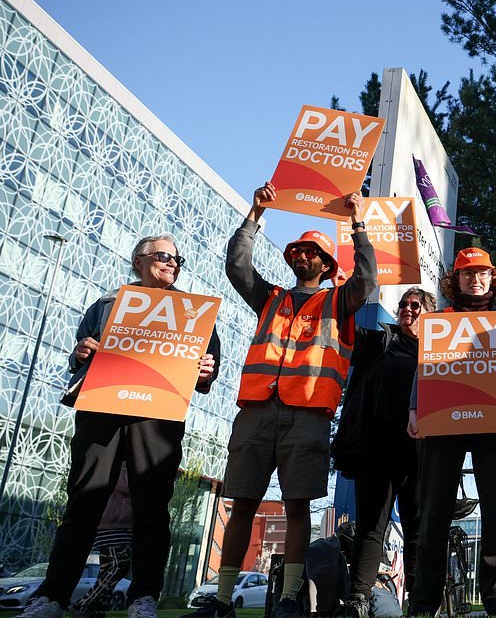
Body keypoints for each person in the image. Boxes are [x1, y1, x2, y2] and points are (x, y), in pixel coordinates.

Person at [184, 182, 376, 618]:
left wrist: (356, 223)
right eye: (298, 249)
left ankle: (290, 598)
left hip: (307, 416)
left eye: (311, 250)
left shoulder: (338, 301)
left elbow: (366, 278)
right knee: (242, 504)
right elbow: (237, 266)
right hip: (255, 412)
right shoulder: (270, 297)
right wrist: (254, 214)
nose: (301, 254)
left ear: (326, 263)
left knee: (296, 506)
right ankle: (220, 600)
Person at [19, 234, 220, 618]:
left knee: (152, 507)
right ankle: (52, 597)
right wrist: (81, 352)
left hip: (157, 418)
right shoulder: (107, 304)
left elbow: (208, 364)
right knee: (83, 502)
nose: (173, 263)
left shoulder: (193, 312)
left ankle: (143, 597)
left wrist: (206, 371)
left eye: (179, 258)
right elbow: (81, 352)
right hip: (102, 411)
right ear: (139, 260)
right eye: (164, 256)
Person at [405, 248, 496, 617]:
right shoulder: (439, 320)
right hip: (443, 422)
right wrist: (414, 407)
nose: (475, 279)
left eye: (482, 274)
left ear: (493, 279)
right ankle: (424, 603)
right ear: (455, 280)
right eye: (467, 274)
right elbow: (423, 368)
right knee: (433, 513)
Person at [333, 286, 436, 616]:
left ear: (431, 314)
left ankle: (419, 604)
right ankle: (359, 598)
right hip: (376, 451)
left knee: (418, 530)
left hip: (420, 454)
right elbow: (342, 324)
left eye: (415, 305)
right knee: (370, 527)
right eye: (403, 304)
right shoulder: (379, 343)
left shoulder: (442, 354)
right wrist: (345, 287)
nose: (408, 309)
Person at [70, 462, 133, 618]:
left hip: (120, 523)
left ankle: (94, 609)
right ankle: (84, 605)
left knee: (109, 569)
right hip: (111, 523)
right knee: (118, 566)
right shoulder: (120, 461)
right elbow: (124, 483)